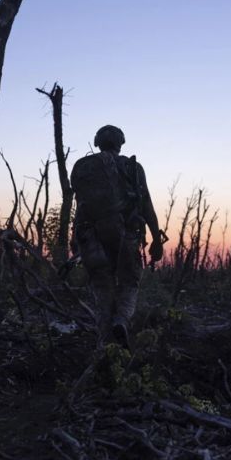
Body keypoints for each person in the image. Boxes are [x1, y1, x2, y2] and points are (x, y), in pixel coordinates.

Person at [70, 125, 162, 348]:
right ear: (121, 143)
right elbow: (146, 203)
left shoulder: (82, 167)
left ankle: (104, 344)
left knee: (102, 287)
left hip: (90, 236)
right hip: (126, 236)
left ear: (97, 142)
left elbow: (80, 206)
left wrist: (75, 239)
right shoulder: (133, 167)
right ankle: (121, 320)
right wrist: (156, 239)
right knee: (130, 282)